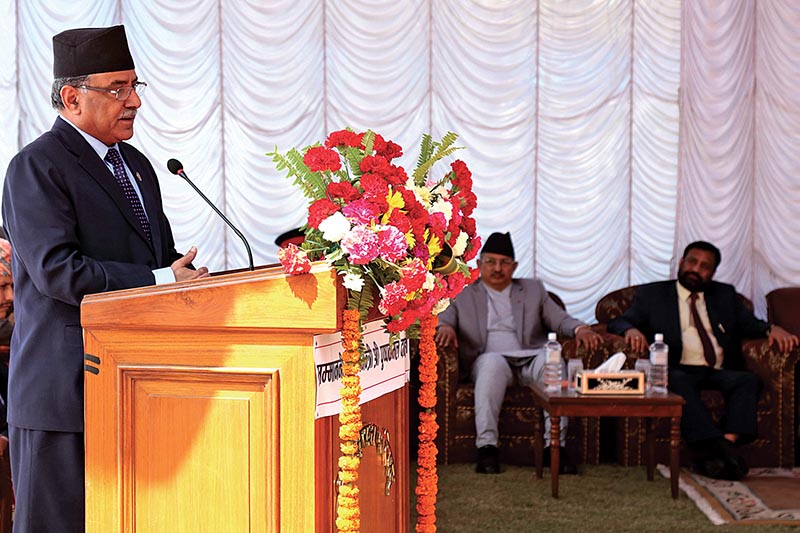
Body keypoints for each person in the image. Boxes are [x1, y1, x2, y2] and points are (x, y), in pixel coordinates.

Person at [1, 25, 210, 532]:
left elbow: (158, 256)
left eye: (136, 86)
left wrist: (196, 279)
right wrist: (161, 278)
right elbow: (58, 272)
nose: (134, 100)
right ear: (71, 97)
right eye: (118, 88)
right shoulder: (35, 166)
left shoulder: (136, 165)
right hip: (64, 392)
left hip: (135, 382)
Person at [608, 241, 798, 480]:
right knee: (674, 380)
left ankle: (717, 450)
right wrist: (630, 331)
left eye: (704, 266)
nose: (695, 269)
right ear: (681, 263)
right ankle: (724, 453)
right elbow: (618, 321)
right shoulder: (653, 294)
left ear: (712, 273)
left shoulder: (724, 295)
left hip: (717, 370)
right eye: (692, 262)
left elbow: (750, 324)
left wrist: (771, 329)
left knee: (748, 381)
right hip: (678, 369)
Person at [435, 232, 602, 474]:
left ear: (514, 266)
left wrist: (581, 328)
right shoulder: (464, 292)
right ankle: (487, 449)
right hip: (489, 359)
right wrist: (446, 328)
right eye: (491, 262)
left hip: (530, 356)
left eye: (504, 263)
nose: (497, 268)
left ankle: (554, 447)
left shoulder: (533, 290)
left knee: (552, 361)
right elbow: (444, 318)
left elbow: (559, 319)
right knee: (492, 364)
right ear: (479, 264)